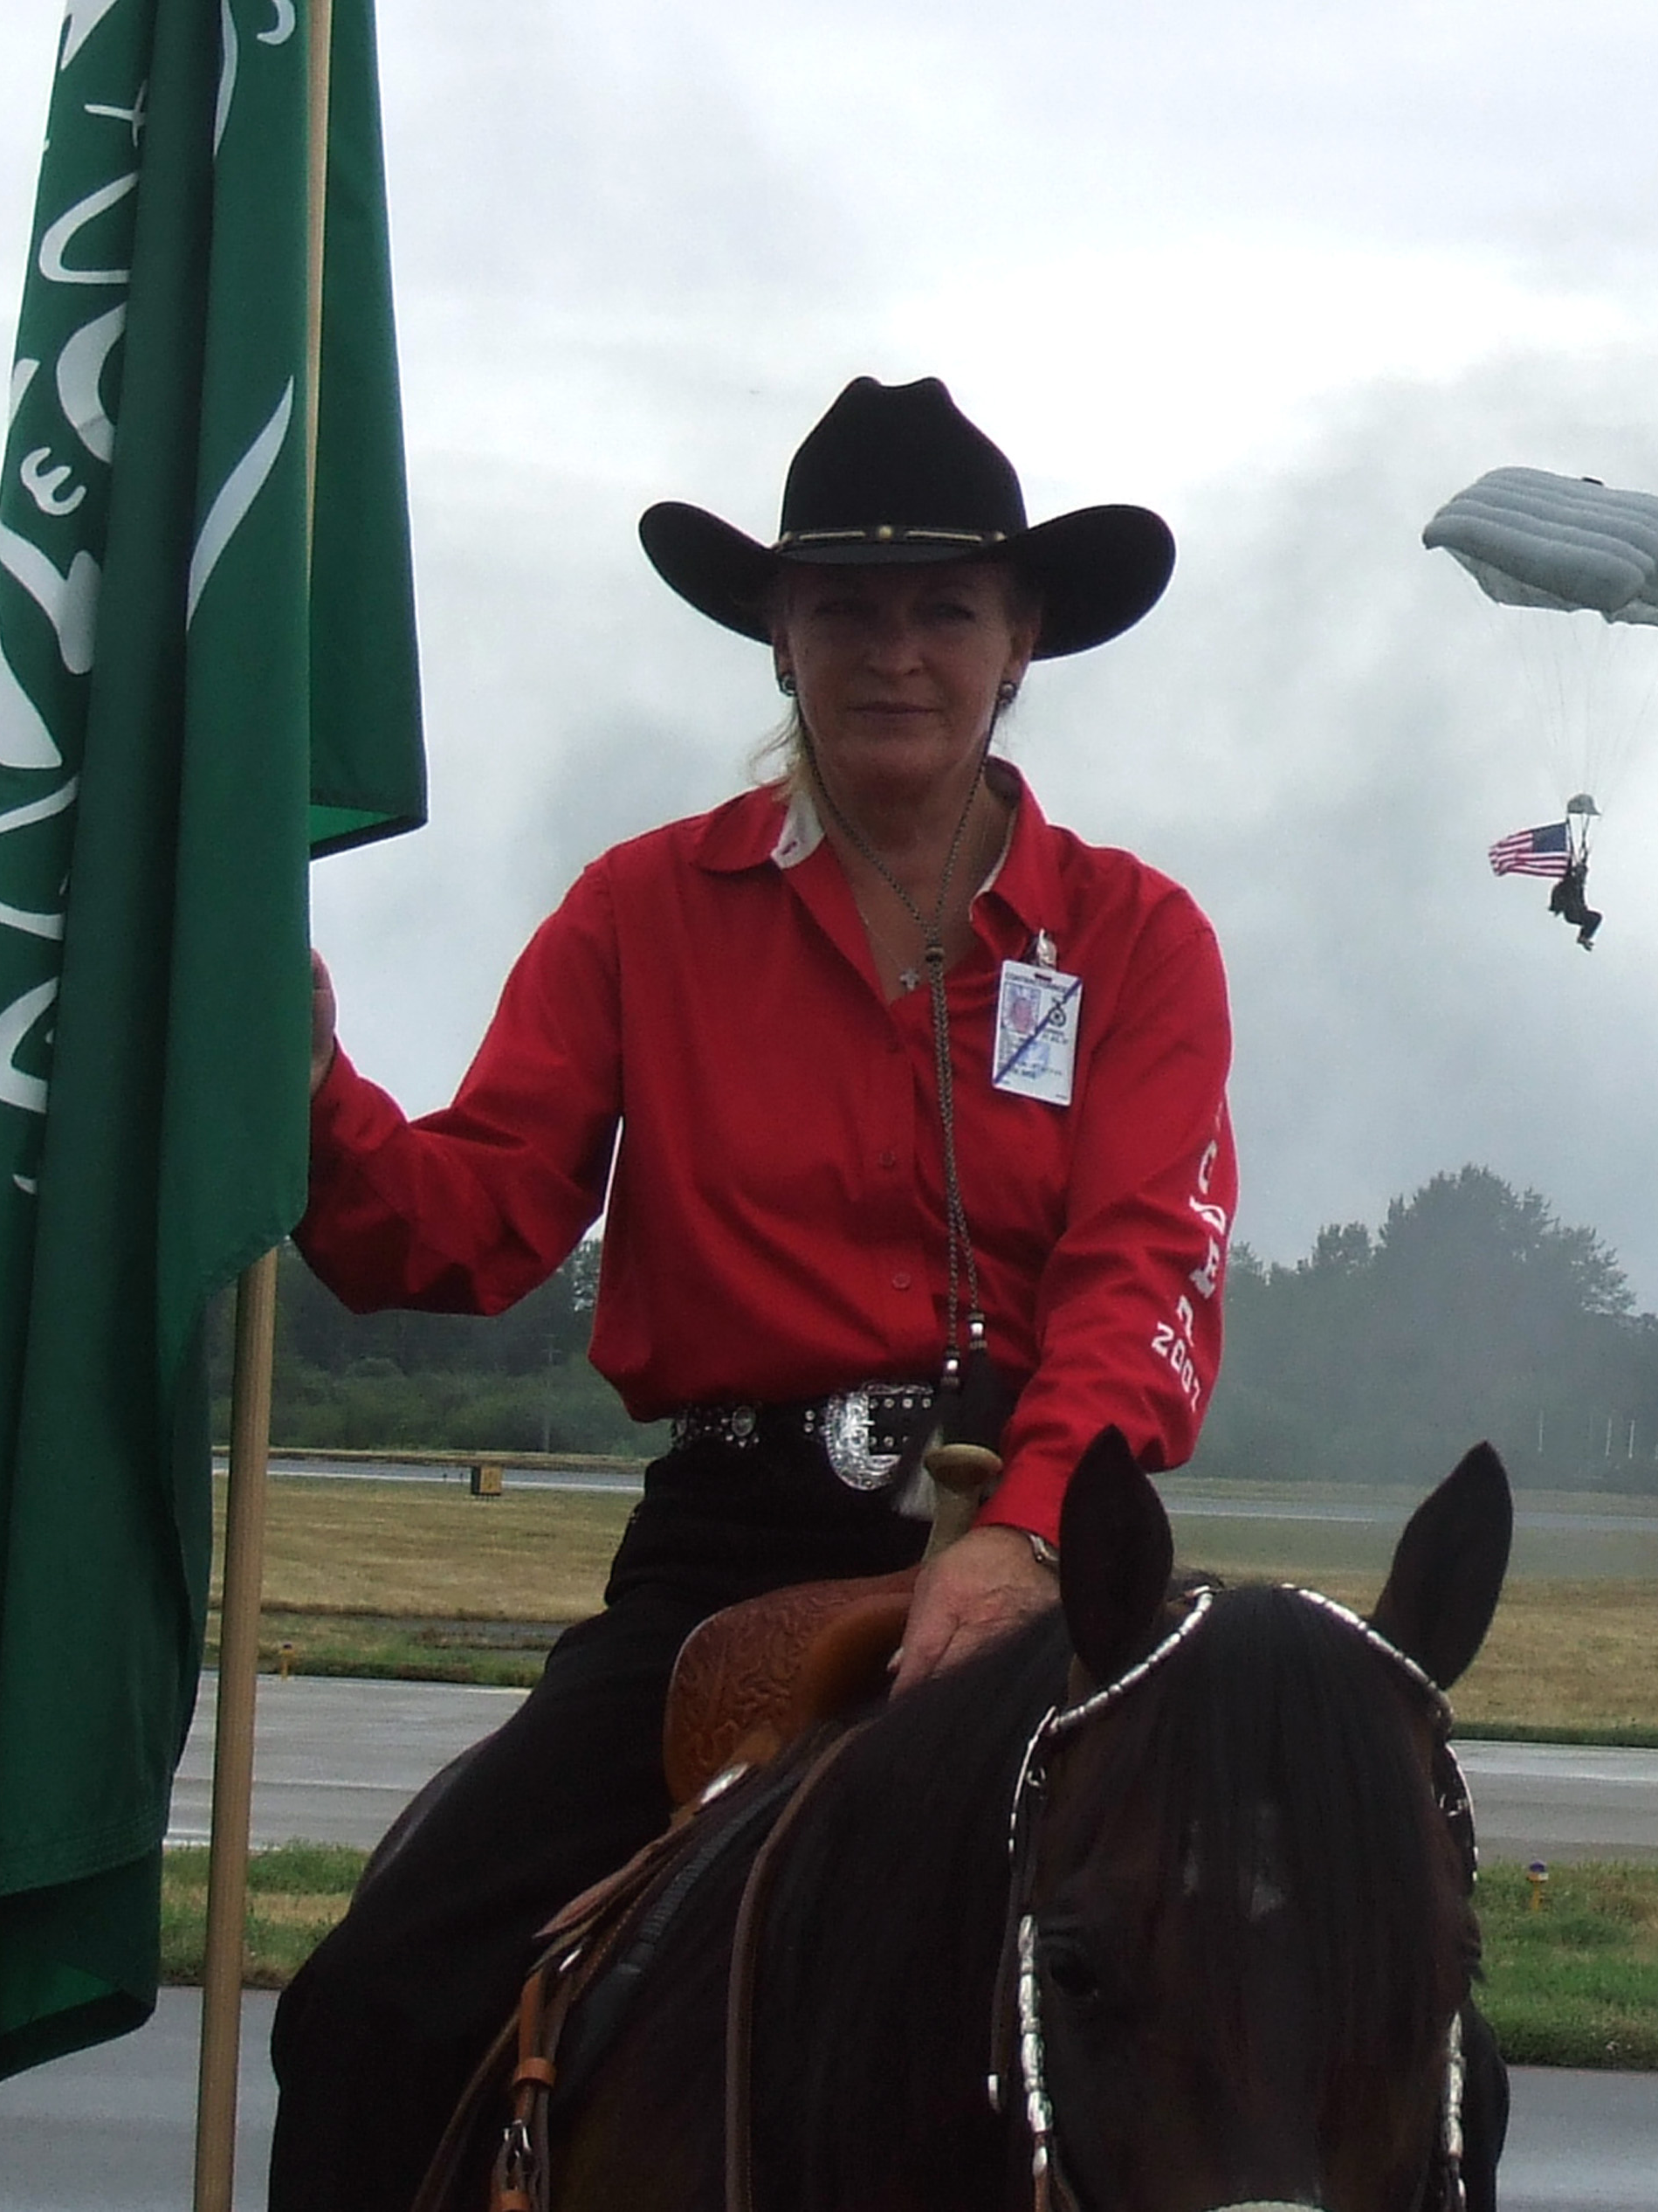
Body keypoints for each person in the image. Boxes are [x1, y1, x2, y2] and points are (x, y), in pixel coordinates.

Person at [266, 374, 1238, 2212]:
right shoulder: (646, 911)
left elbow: (1146, 1270)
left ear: (1021, 640)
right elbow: (460, 1224)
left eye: (945, 608)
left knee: (1308, 1994)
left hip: (1057, 1583)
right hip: (721, 1566)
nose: (896, 653)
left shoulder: (1135, 937)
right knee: (372, 2006)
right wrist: (302, 1086)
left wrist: (1024, 1531)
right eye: (843, 612)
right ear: (776, 642)